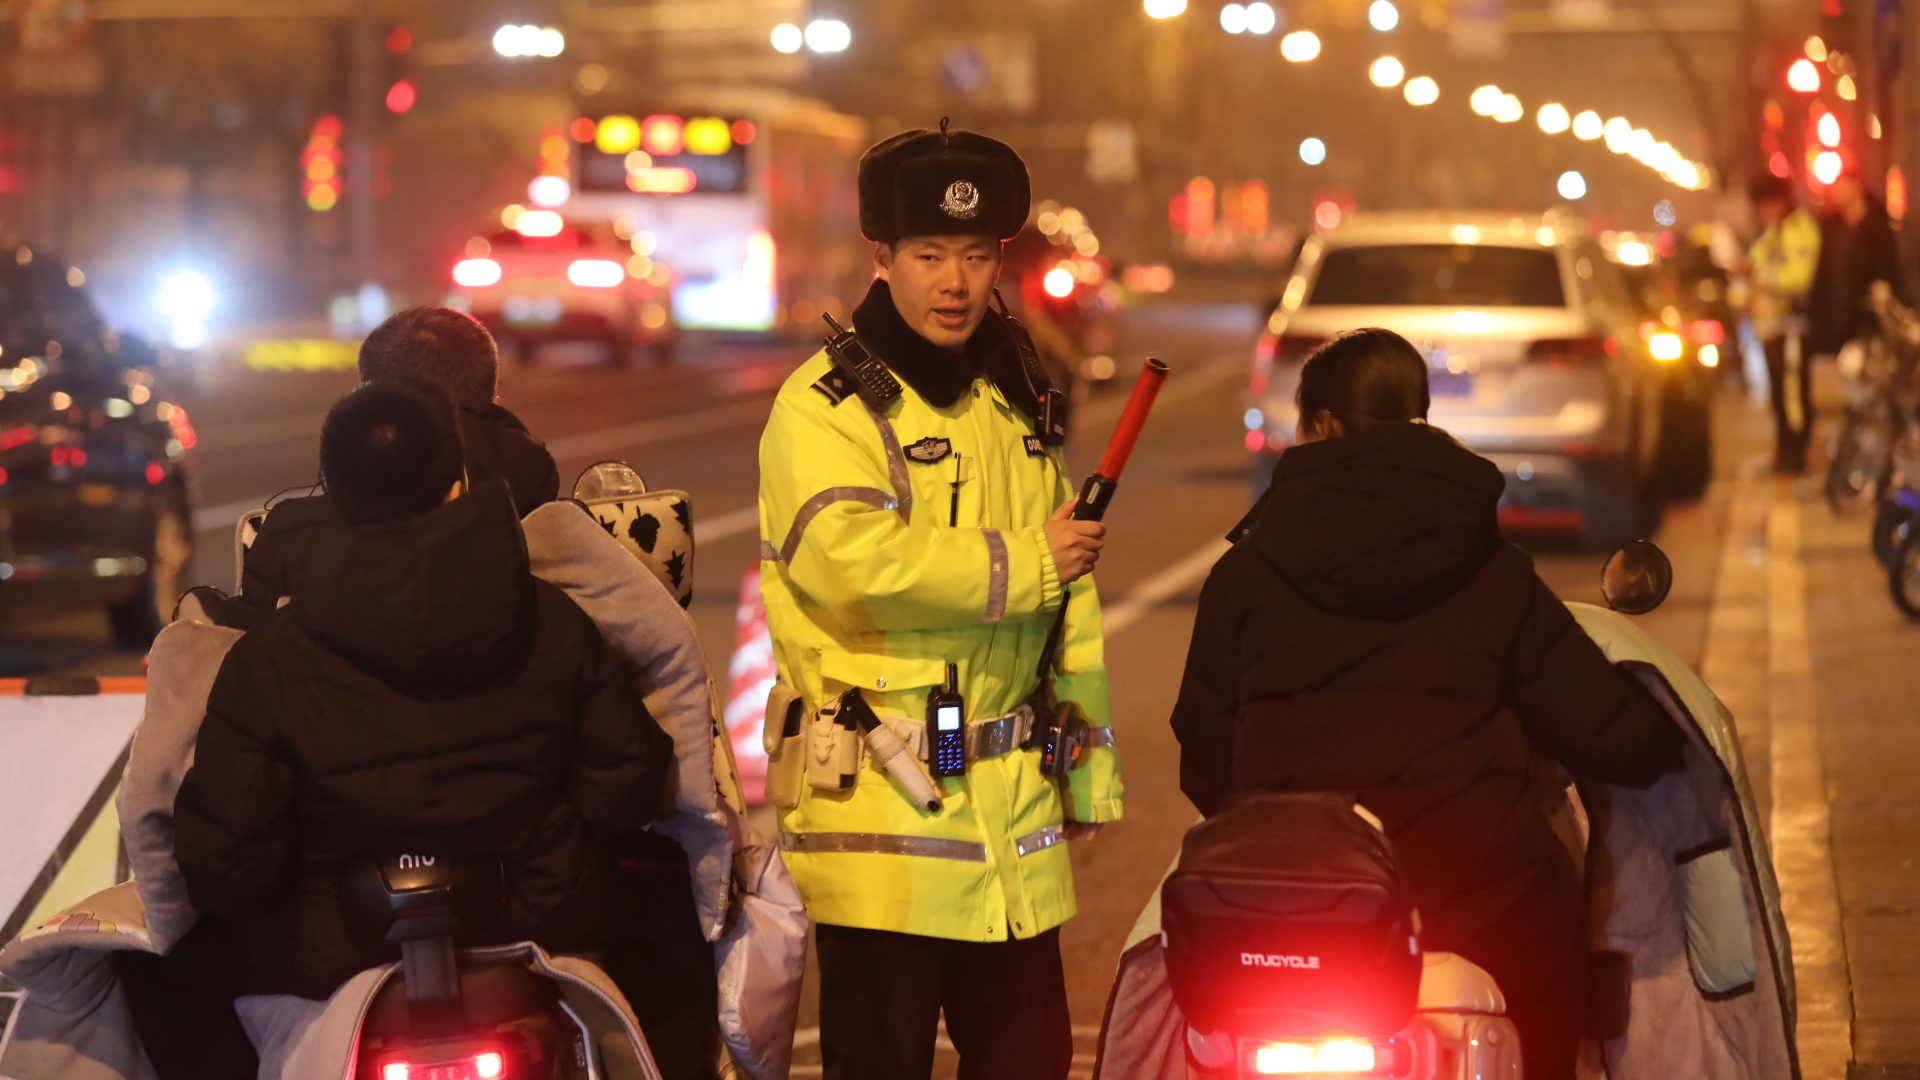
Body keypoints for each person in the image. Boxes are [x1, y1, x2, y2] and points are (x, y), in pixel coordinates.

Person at [1169, 328, 1685, 1080]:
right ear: (1418, 419)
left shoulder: (1245, 575)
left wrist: (1285, 831)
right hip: (1477, 908)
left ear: (1319, 429)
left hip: (1294, 915)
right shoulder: (1491, 570)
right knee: (1550, 961)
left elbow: (1205, 754)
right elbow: (1607, 731)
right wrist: (1663, 735)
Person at [136, 379, 675, 1078]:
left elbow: (228, 864)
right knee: (674, 929)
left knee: (161, 972)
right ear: (458, 481)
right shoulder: (554, 621)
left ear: (331, 490)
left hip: (332, 941)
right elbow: (628, 787)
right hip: (538, 913)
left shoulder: (268, 658)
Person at [756, 120, 1123, 1080]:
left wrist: (1084, 768)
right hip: (883, 829)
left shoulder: (1011, 402)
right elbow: (853, 565)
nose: (954, 283)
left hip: (1010, 830)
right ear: (882, 257)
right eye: (929, 255)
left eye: (975, 255)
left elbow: (1069, 604)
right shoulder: (822, 405)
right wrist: (1026, 560)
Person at [239, 305, 559, 610]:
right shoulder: (553, 534)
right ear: (493, 403)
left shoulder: (294, 541)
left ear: (366, 404)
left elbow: (247, 642)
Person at [1746, 173, 1822, 473]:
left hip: (1792, 326)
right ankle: (1783, 454)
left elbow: (1799, 278)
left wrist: (1759, 277)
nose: (1761, 212)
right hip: (1773, 325)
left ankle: (1795, 458)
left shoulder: (1799, 229)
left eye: (1764, 205)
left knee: (1792, 395)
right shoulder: (1776, 229)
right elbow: (1758, 258)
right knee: (1778, 394)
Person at [1808, 169, 1903, 363]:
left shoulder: (1877, 225)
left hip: (1867, 315)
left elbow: (1888, 265)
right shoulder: (1832, 228)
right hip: (1837, 313)